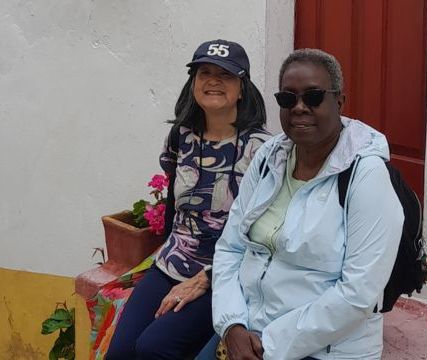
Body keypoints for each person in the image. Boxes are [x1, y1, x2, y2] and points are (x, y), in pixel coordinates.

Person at [200, 48, 404, 360]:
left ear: (339, 102)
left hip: (326, 349)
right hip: (248, 331)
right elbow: (231, 247)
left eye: (313, 97)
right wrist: (232, 325)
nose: (299, 108)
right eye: (287, 98)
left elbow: (358, 294)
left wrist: (270, 343)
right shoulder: (270, 157)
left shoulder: (366, 176)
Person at [105, 39, 270, 360]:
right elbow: (172, 207)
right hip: (171, 264)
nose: (213, 81)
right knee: (120, 353)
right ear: (192, 84)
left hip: (226, 275)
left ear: (242, 88)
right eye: (204, 72)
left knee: (154, 348)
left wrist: (206, 279)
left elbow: (264, 233)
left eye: (225, 75)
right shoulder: (182, 136)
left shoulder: (262, 150)